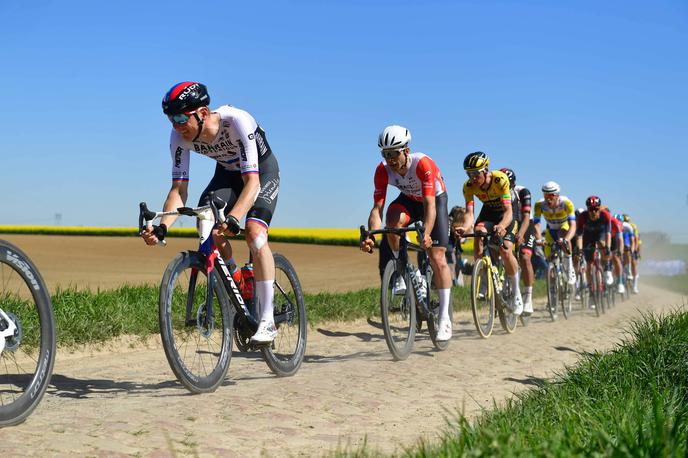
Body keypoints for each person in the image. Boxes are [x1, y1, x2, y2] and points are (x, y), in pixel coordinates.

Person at [141, 81, 281, 344]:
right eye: (171, 118)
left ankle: (267, 320)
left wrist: (234, 218)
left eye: (182, 117)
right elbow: (178, 191)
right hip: (227, 176)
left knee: (255, 233)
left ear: (203, 113)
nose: (176, 125)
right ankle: (238, 279)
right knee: (206, 221)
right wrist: (163, 228)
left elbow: (252, 183)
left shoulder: (237, 121)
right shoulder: (179, 138)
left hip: (261, 172)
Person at [360, 125, 453, 341]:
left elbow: (430, 206)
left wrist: (427, 233)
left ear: (406, 151)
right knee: (392, 223)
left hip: (434, 201)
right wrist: (371, 235)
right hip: (410, 201)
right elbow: (377, 209)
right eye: (385, 154)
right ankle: (401, 271)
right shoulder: (382, 170)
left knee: (437, 257)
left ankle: (445, 319)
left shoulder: (423, 164)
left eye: (394, 153)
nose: (390, 159)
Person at [454, 152, 524, 315]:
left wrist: (501, 226)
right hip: (489, 211)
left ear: (485, 170)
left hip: (506, 211)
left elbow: (508, 212)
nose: (472, 178)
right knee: (478, 232)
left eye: (475, 173)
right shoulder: (468, 187)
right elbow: (470, 214)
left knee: (506, 249)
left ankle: (517, 294)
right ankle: (484, 280)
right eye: (468, 174)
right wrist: (465, 228)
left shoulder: (500, 180)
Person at [500, 168, 535, 315]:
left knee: (525, 256)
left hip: (524, 223)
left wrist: (520, 234)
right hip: (509, 221)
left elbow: (526, 217)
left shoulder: (523, 192)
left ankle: (528, 297)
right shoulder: (498, 190)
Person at [533, 181, 577, 286]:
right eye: (545, 195)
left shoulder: (566, 203)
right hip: (550, 230)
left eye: (551, 195)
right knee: (549, 260)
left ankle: (569, 265)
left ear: (557, 195)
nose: (548, 198)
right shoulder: (539, 205)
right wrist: (539, 239)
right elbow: (536, 225)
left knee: (563, 237)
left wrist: (567, 239)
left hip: (563, 226)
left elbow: (573, 225)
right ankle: (553, 294)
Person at [575, 196, 612, 307]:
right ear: (587, 209)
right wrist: (580, 249)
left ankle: (607, 269)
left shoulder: (605, 215)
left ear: (599, 208)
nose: (593, 212)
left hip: (600, 233)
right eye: (591, 209)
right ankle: (591, 292)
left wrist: (608, 248)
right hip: (588, 236)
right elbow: (579, 235)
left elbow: (608, 234)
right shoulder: (582, 217)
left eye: (596, 209)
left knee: (602, 244)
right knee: (589, 266)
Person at [624, 214, 641, 294]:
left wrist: (635, 251)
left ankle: (635, 286)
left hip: (631, 244)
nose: (625, 222)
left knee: (633, 263)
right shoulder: (621, 226)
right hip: (623, 244)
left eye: (626, 221)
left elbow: (636, 239)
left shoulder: (632, 226)